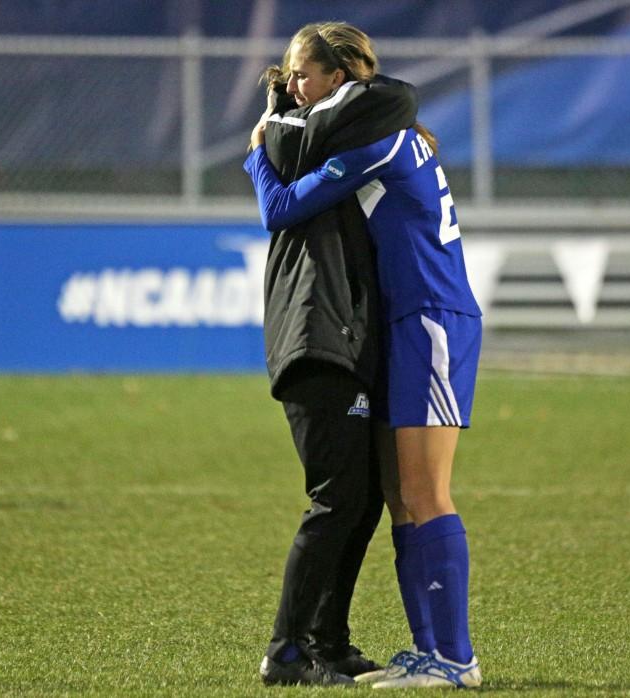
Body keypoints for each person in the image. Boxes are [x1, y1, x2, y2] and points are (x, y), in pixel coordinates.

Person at [245, 22, 483, 690]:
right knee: (399, 495)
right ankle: (430, 652)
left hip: (432, 316)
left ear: (343, 77)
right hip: (405, 319)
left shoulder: (376, 140)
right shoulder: (385, 130)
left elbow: (285, 204)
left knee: (424, 492)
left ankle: (454, 659)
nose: (293, 89)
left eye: (303, 75)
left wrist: (258, 149)